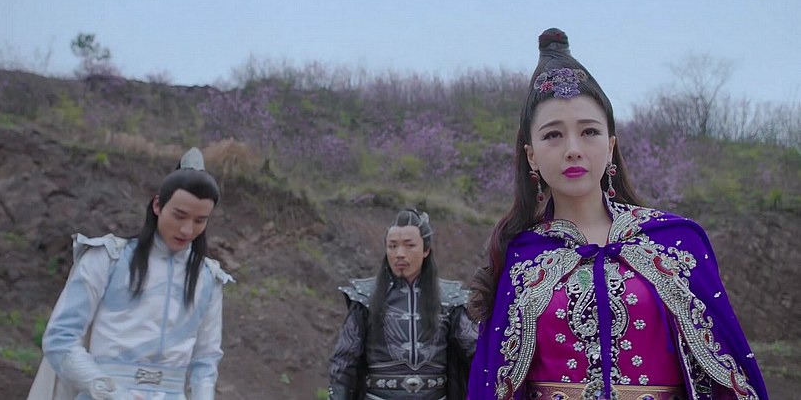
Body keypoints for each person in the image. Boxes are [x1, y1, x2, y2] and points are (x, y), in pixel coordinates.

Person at [466, 29, 768, 400]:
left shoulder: (676, 242)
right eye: (553, 135)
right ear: (532, 155)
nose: (573, 149)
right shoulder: (520, 255)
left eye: (589, 132)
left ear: (610, 146)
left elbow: (727, 370)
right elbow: (492, 384)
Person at [29, 147, 234, 400]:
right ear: (158, 205)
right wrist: (112, 392)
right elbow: (61, 338)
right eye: (179, 215)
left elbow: (205, 360)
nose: (187, 229)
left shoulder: (208, 278)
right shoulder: (108, 258)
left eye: (200, 220)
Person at [328, 208, 478, 400]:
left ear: (426, 250)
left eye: (409, 245)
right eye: (392, 246)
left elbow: (476, 352)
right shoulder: (365, 297)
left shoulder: (449, 298)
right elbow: (344, 360)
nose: (399, 253)